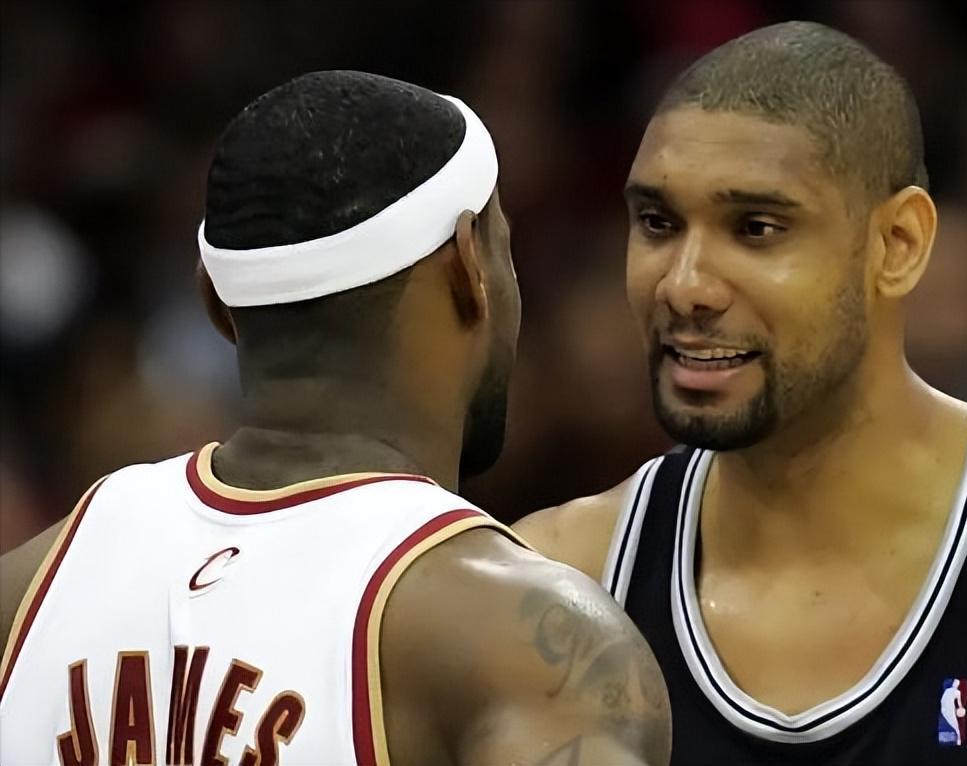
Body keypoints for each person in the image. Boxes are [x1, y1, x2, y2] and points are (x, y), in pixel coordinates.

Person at [515, 22, 967, 766]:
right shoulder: (557, 583)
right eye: (658, 223)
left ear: (898, 245)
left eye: (756, 228)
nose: (684, 286)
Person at [0, 71, 670, 766]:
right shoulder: (530, 648)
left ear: (216, 303)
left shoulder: (30, 589)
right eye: (507, 245)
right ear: (470, 262)